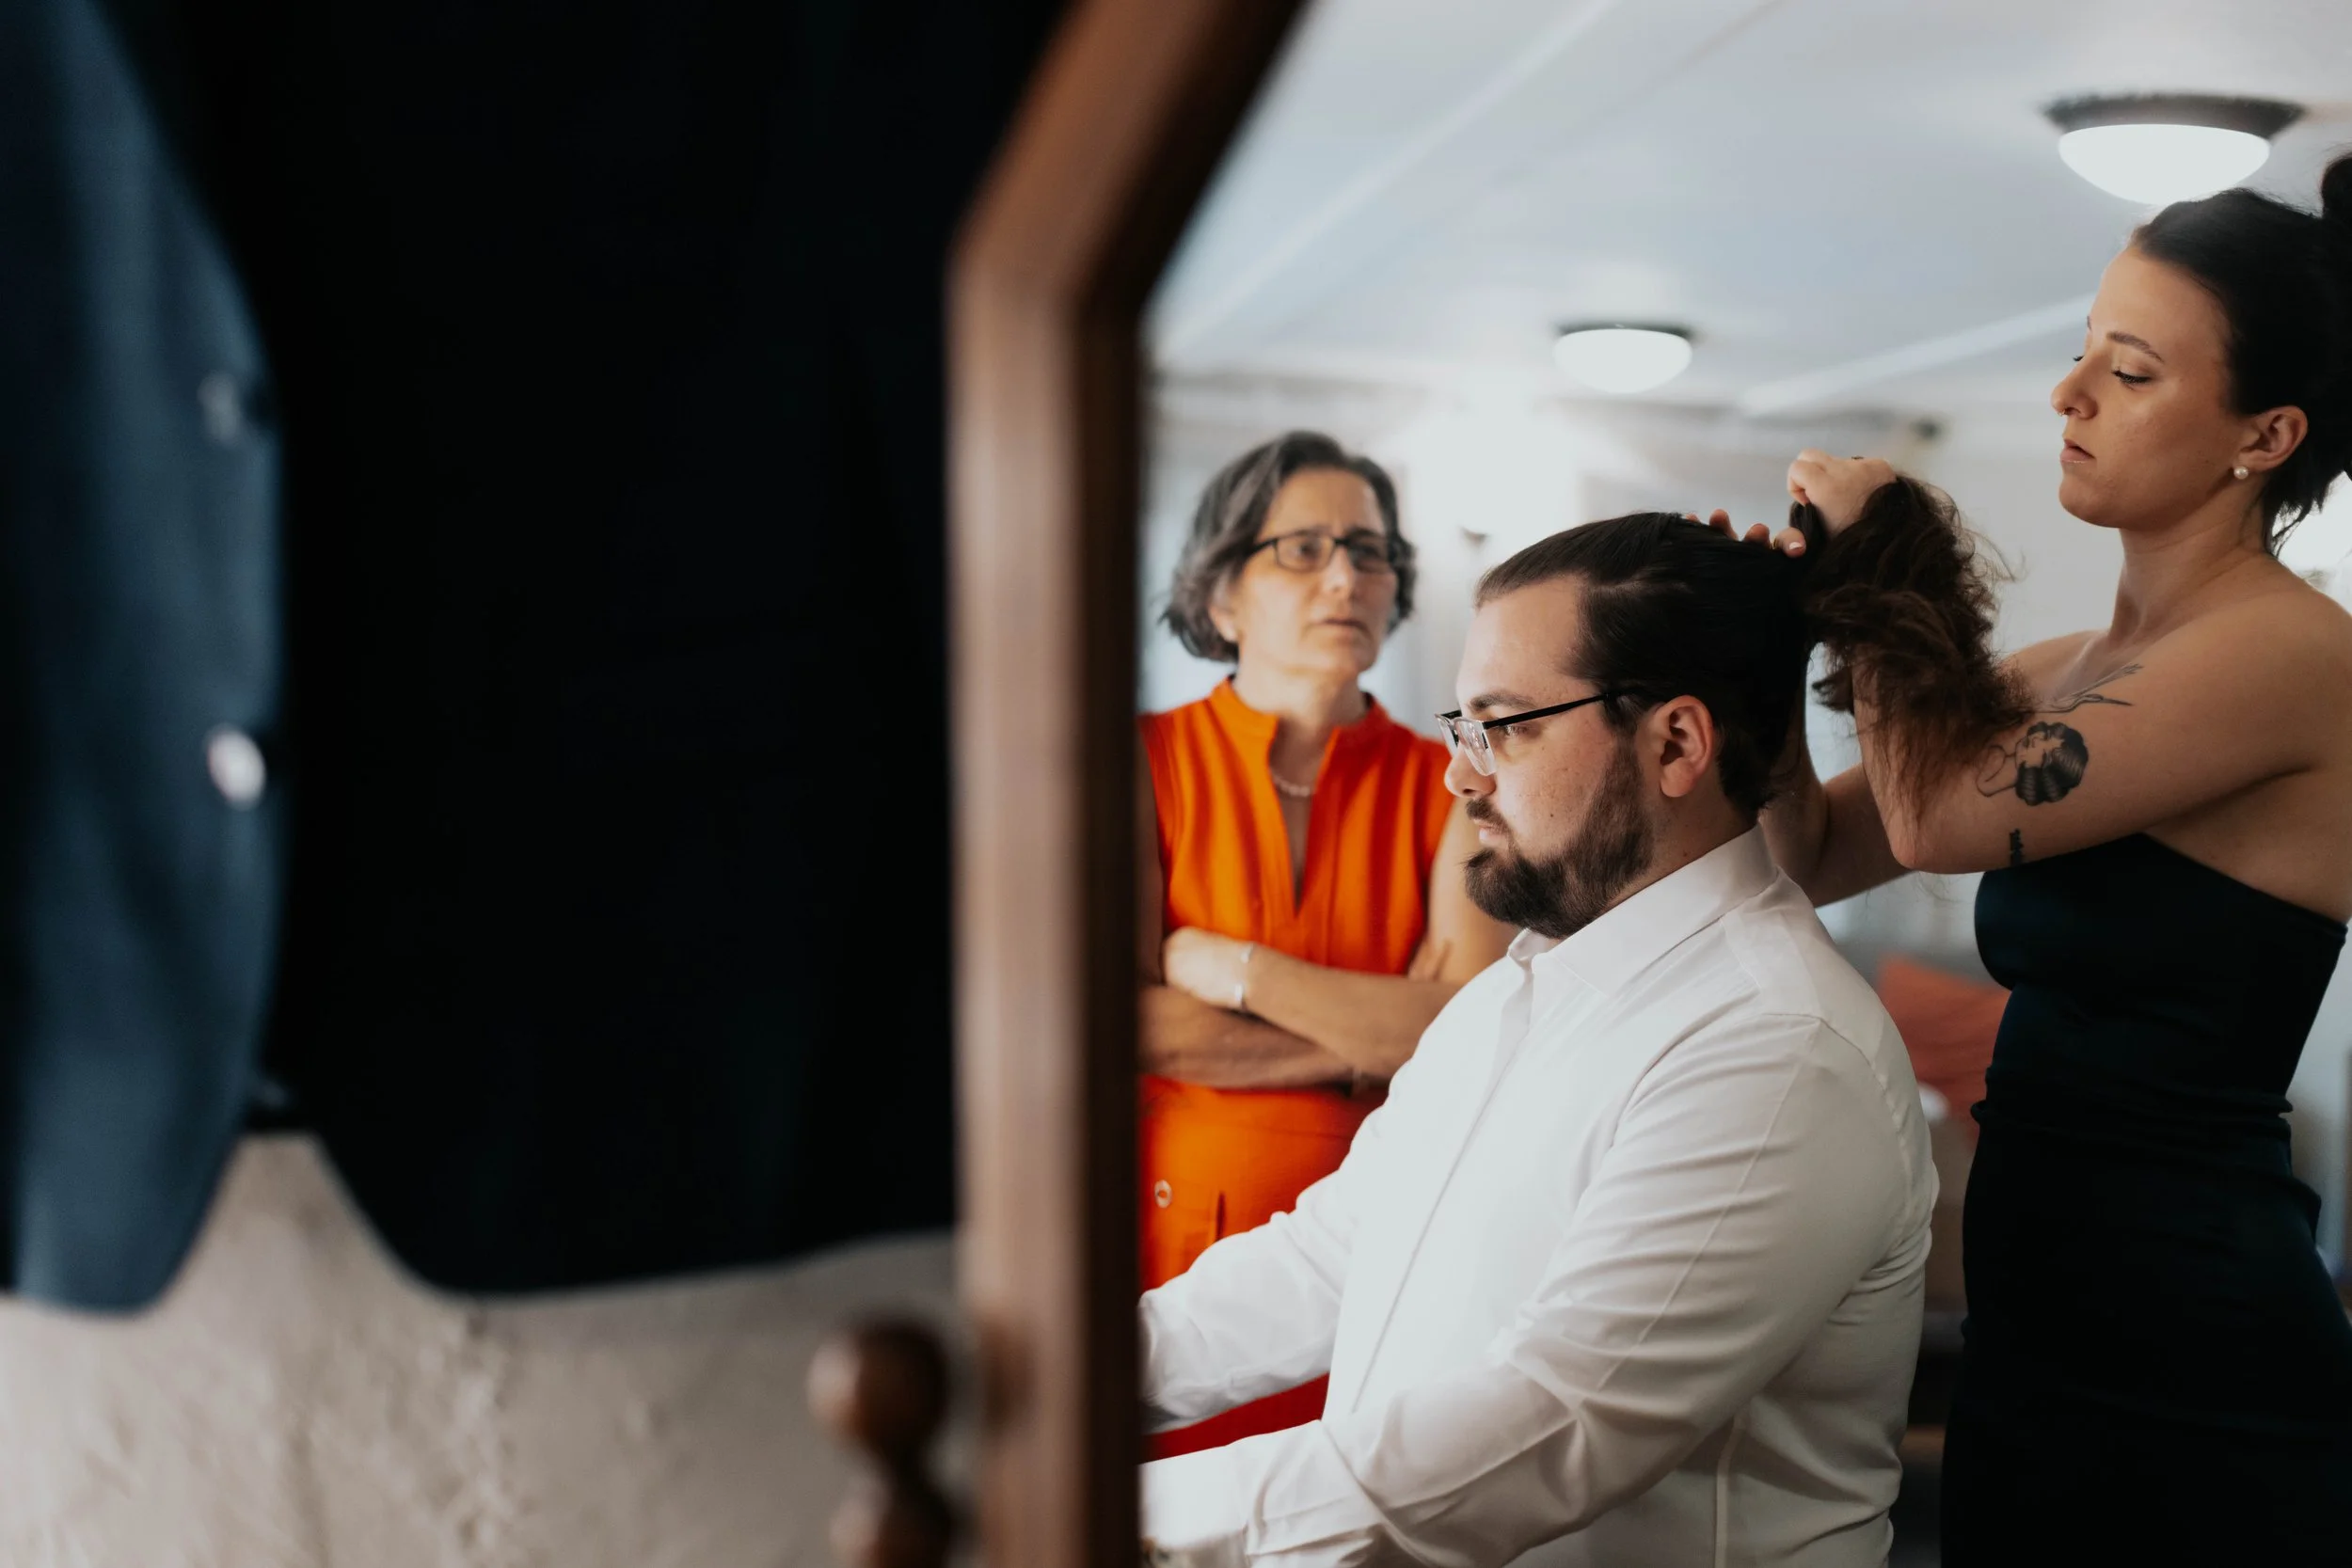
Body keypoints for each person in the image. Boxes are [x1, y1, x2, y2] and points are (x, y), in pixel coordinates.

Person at [1738, 156, 2352, 1563]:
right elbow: (1811, 848)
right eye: (2080, 350)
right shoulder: (2064, 668)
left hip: (2197, 1343)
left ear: (2265, 435)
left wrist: (1887, 561)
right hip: (2042, 1309)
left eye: (2130, 372)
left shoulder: (2292, 652)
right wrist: (1763, 651)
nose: (2068, 395)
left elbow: (1939, 820)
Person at [1138, 511, 1944, 1567]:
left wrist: (1123, 1512)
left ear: (1675, 744)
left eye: (1506, 725)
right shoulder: (1506, 995)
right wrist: (1043, 1379)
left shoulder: (1777, 1044)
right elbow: (1325, 1258)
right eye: (1461, 725)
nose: (1459, 776)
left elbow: (1553, 1424)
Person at [1139, 432, 1512, 1456]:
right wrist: (1379, 1035)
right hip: (1165, 1253)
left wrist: (1229, 968)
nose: (1345, 573)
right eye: (1300, 548)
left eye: (1368, 548)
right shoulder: (1140, 759)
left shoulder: (1459, 775)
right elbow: (1133, 1024)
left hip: (1388, 1253)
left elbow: (1468, 1025)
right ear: (1221, 595)